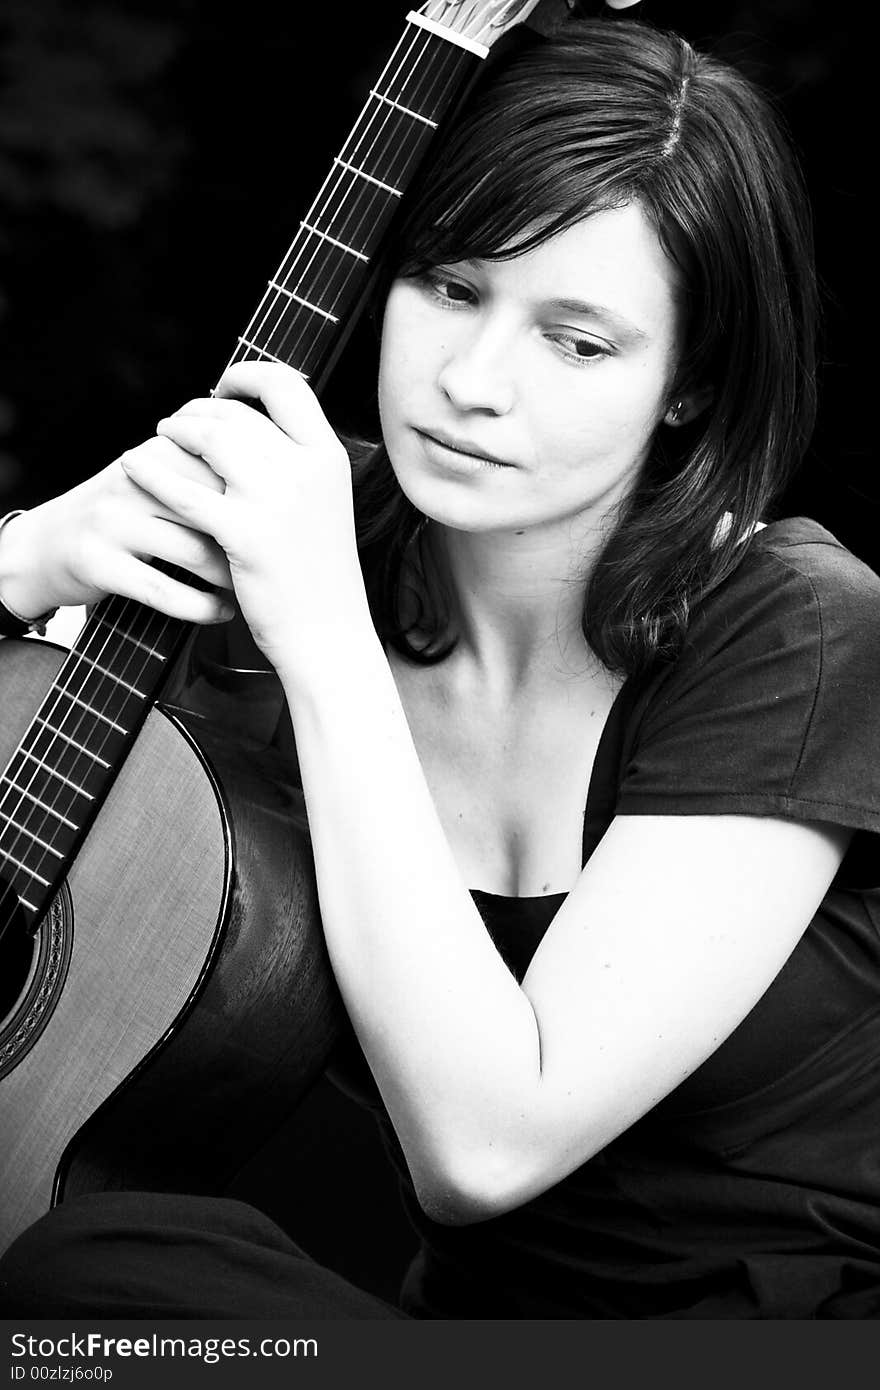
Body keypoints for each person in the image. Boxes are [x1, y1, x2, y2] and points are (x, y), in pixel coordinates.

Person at [1, 13, 879, 1320]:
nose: (473, 381)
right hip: (445, 1338)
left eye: (576, 341)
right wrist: (23, 559)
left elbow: (485, 1148)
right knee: (107, 1279)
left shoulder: (800, 621)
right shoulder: (304, 522)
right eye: (453, 286)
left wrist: (321, 636)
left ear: (688, 383)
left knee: (93, 1284)